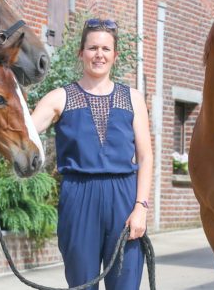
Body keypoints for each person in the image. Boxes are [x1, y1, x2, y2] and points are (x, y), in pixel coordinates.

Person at [30, 18, 153, 290]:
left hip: (124, 197)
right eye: (93, 48)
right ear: (81, 52)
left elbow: (145, 158)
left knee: (126, 285)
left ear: (115, 55)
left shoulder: (133, 98)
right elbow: (23, 134)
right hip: (79, 197)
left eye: (106, 49)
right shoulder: (59, 98)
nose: (99, 54)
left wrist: (141, 208)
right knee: (82, 285)